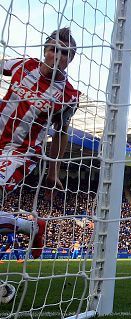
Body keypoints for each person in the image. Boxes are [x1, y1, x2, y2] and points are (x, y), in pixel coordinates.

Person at [0, 28, 80, 259]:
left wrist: (54, 173)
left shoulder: (68, 95)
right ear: (45, 51)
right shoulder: (22, 66)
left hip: (20, 153)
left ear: (71, 59)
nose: (58, 56)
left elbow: (61, 132)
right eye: (54, 50)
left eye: (65, 53)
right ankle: (29, 227)